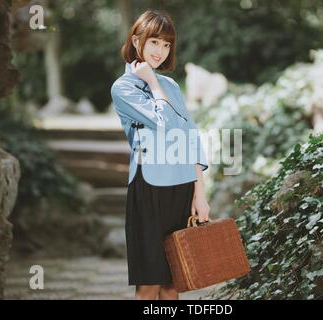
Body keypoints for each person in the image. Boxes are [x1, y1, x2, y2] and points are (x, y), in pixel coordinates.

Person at [110, 9, 210, 300]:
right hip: (149, 188)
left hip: (180, 187)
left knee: (173, 282)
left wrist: (199, 193)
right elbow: (164, 123)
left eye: (167, 45)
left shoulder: (171, 86)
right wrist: (152, 83)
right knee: (150, 283)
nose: (161, 51)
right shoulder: (123, 88)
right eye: (155, 42)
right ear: (137, 40)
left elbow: (189, 136)